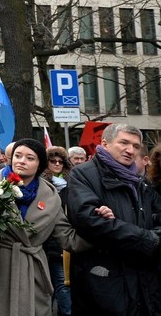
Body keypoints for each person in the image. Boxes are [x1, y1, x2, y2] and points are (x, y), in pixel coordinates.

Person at [0, 138, 94, 316]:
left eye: (30, 158)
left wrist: (100, 230)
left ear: (39, 165)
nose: (21, 161)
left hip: (33, 269)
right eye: (18, 156)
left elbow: (66, 237)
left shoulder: (51, 196)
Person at [67, 124, 161, 316]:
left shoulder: (141, 182)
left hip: (143, 277)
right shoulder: (83, 174)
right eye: (124, 143)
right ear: (105, 144)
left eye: (135, 146)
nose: (130, 150)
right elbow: (89, 220)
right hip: (104, 278)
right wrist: (145, 239)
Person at [41, 146, 73, 316]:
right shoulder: (42, 183)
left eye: (60, 161)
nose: (57, 164)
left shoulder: (72, 182)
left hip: (67, 239)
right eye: (53, 161)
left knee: (64, 284)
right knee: (59, 284)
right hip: (48, 242)